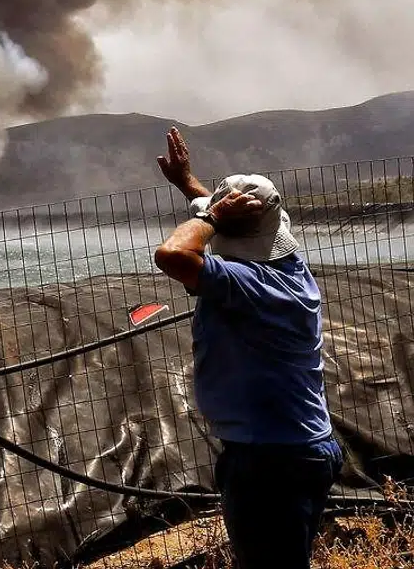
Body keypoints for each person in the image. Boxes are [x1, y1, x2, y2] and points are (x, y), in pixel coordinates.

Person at [152, 127, 343, 569]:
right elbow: (228, 219)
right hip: (300, 449)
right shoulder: (288, 267)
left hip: (270, 464)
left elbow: (173, 255)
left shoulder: (251, 284)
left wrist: (213, 216)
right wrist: (190, 184)